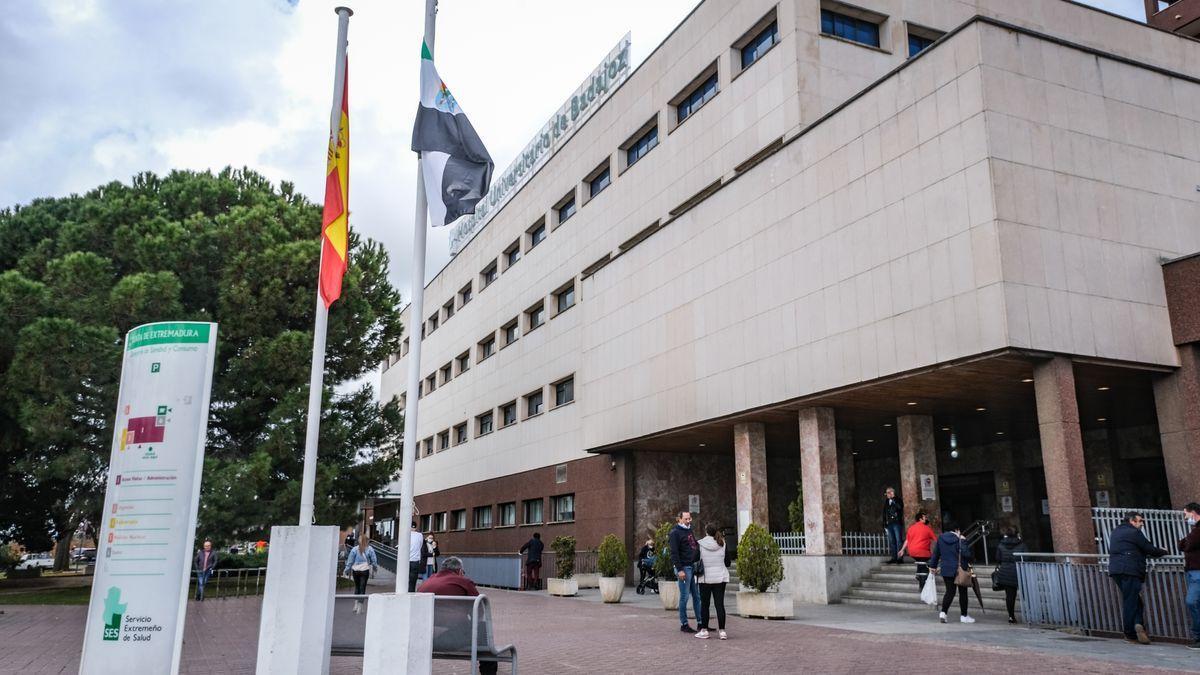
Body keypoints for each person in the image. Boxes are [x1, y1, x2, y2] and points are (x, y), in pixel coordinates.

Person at [418, 557, 498, 675]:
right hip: (454, 638)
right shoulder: (463, 582)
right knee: (482, 630)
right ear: (460, 571)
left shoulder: (427, 582)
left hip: (426, 638)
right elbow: (479, 611)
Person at [1109, 511, 1168, 644]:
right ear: (1132, 521)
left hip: (1116, 569)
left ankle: (1138, 625)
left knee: (1135, 600)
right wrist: (1164, 551)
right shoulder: (1134, 532)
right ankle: (1130, 633)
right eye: (1140, 521)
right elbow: (1149, 548)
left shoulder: (1116, 532)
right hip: (1131, 570)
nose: (1142, 524)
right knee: (1130, 601)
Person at [928, 519, 974, 623]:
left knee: (949, 592)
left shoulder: (941, 539)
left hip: (946, 569)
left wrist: (933, 566)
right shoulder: (959, 539)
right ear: (957, 530)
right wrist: (963, 540)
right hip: (960, 569)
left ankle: (943, 613)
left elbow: (936, 553)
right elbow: (967, 554)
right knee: (963, 593)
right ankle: (964, 616)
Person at [668, 510, 702, 634]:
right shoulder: (675, 532)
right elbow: (674, 553)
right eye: (686, 519)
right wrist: (679, 569)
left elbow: (693, 545)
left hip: (692, 566)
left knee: (697, 596)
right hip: (684, 568)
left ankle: (701, 623)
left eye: (689, 519)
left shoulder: (689, 530)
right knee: (684, 596)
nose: (688, 521)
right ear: (679, 519)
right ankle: (684, 624)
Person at [695, 523, 730, 640]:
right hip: (720, 577)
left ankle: (704, 630)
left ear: (706, 532)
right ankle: (722, 631)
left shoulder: (700, 544)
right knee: (719, 604)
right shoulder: (723, 543)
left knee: (705, 605)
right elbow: (728, 562)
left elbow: (694, 559)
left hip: (705, 578)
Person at [994, 527, 1027, 624]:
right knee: (1026, 593)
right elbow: (1027, 557)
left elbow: (998, 558)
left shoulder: (1001, 545)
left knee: (1010, 595)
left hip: (1005, 571)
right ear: (1017, 534)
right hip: (1019, 570)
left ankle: (1011, 616)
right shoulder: (1021, 544)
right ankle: (1030, 614)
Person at [897, 510, 937, 589]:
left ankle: (918, 574)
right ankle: (922, 585)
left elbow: (907, 540)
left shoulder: (911, 528)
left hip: (912, 552)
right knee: (927, 563)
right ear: (920, 519)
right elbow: (936, 540)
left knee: (921, 563)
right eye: (924, 517)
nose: (926, 519)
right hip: (923, 552)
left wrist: (902, 550)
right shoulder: (927, 528)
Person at [1181, 502, 1200, 651]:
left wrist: (1185, 542)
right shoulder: (1195, 530)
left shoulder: (1197, 531)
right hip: (1193, 571)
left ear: (1193, 512)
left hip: (1197, 572)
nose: (1185, 517)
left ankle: (1198, 636)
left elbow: (1186, 545)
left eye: (1186, 514)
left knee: (1191, 601)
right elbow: (1183, 544)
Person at [343, 534, 377, 614]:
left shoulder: (354, 549)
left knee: (357, 587)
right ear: (366, 540)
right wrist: (375, 567)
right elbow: (374, 560)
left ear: (359, 540)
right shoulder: (370, 549)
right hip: (365, 570)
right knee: (362, 588)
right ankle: (360, 607)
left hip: (356, 570)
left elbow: (350, 561)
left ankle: (355, 605)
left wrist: (346, 569)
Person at [882, 487, 905, 564]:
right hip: (889, 524)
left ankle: (900, 558)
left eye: (888, 493)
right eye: (886, 493)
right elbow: (884, 513)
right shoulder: (886, 501)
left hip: (897, 523)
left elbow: (900, 507)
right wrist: (884, 523)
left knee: (899, 540)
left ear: (892, 492)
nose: (886, 495)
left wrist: (893, 499)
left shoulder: (898, 500)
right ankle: (894, 558)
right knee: (892, 541)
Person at [407, 521, 424, 593]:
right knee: (413, 580)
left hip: (406, 560)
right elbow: (420, 545)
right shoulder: (420, 535)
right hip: (415, 560)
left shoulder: (406, 534)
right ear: (416, 527)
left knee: (404, 579)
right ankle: (411, 592)